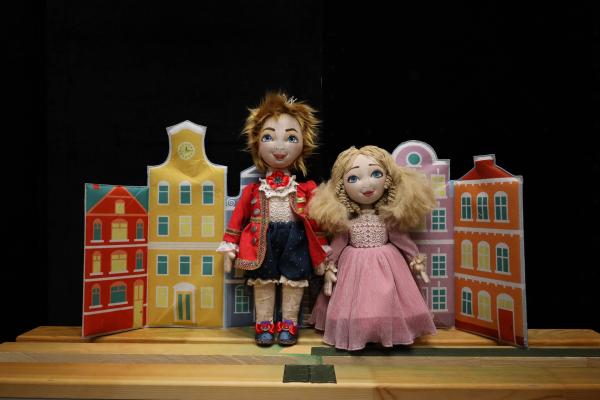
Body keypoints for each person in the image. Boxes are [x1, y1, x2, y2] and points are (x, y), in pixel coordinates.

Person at [218, 92, 328, 346]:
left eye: (291, 138)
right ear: (257, 143)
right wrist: (230, 246)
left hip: (295, 239)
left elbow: (316, 224)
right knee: (263, 282)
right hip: (261, 241)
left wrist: (322, 252)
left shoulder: (306, 189)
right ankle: (264, 324)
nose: (280, 146)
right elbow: (237, 219)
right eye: (269, 137)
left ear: (303, 144)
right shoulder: (253, 190)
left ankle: (289, 324)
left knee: (294, 282)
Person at [309, 145, 437, 350]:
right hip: (353, 265)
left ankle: (387, 331)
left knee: (386, 298)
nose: (366, 184)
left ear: (387, 180)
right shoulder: (346, 220)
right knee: (356, 303)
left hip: (387, 263)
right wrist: (330, 267)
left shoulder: (387, 217)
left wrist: (415, 260)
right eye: (353, 178)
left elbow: (402, 240)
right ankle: (360, 331)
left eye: (376, 174)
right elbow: (338, 244)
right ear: (341, 187)